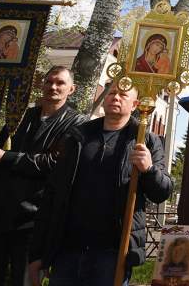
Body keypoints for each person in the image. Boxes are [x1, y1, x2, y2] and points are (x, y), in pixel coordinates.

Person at [28, 83, 173, 286]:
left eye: (123, 95)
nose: (115, 97)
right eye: (112, 93)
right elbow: (53, 193)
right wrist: (38, 253)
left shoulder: (146, 140)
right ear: (104, 99)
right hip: (67, 249)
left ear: (135, 104)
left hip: (113, 253)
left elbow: (162, 192)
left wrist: (149, 169)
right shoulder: (78, 136)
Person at [0, 65, 82, 286]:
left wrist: (6, 157)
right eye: (48, 81)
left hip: (34, 222)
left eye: (60, 82)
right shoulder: (18, 117)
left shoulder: (77, 123)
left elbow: (55, 163)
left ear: (71, 89)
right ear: (41, 84)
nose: (53, 86)